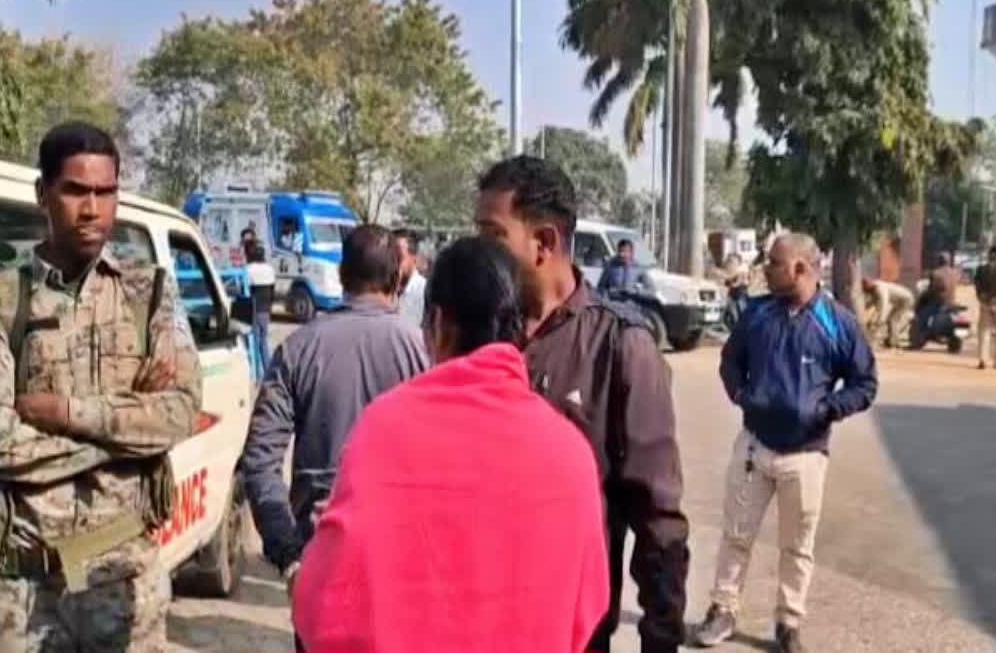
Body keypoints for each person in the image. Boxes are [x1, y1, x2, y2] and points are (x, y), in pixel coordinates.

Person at [293, 237, 610, 653]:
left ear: (439, 323)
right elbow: (589, 607)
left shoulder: (385, 430)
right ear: (520, 328)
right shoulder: (570, 452)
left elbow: (327, 609)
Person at [0, 122, 201, 651]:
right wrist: (124, 430)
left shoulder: (150, 293)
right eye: (74, 191)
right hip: (20, 588)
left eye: (105, 192)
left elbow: (180, 412)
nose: (92, 209)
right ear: (42, 193)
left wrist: (66, 412)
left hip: (121, 579)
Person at [474, 156, 689, 653]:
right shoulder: (475, 333)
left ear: (544, 243)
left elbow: (658, 517)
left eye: (492, 235)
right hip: (478, 622)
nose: (477, 252)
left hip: (572, 632)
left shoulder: (619, 346)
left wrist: (660, 637)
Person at [238, 224, 429, 651]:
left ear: (342, 275)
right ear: (398, 278)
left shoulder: (297, 350)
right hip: (401, 567)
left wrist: (288, 555)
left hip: (319, 558)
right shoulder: (424, 353)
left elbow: (260, 462)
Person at [694, 234, 878, 653]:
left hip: (806, 457)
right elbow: (730, 361)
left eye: (774, 262)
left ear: (800, 268)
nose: (766, 269)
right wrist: (742, 396)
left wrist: (827, 409)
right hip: (754, 449)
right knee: (736, 536)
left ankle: (788, 624)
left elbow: (865, 383)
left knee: (797, 548)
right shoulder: (757, 314)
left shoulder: (837, 323)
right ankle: (722, 610)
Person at [245, 241, 277, 373]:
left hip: (253, 309)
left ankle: (255, 373)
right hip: (265, 310)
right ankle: (267, 370)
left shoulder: (249, 269)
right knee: (263, 342)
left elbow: (244, 289)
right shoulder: (270, 269)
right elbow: (272, 290)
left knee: (253, 342)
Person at [862, 277, 915, 349]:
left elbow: (884, 304)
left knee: (892, 319)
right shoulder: (873, 290)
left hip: (906, 300)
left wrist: (880, 319)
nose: (865, 292)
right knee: (891, 319)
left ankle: (894, 342)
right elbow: (870, 303)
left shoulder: (880, 289)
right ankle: (892, 340)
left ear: (868, 286)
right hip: (899, 300)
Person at [394, 228, 427, 330]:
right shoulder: (380, 291)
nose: (393, 262)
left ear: (414, 257)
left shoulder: (424, 292)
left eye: (399, 257)